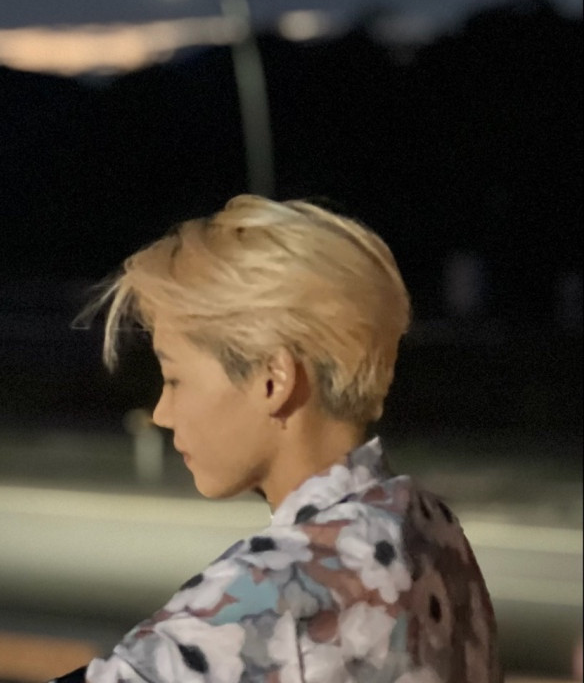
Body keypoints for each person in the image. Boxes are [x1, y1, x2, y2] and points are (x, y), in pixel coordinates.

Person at [52, 195, 501, 683]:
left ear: (273, 379)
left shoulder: (271, 593)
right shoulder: (432, 531)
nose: (162, 412)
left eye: (175, 378)